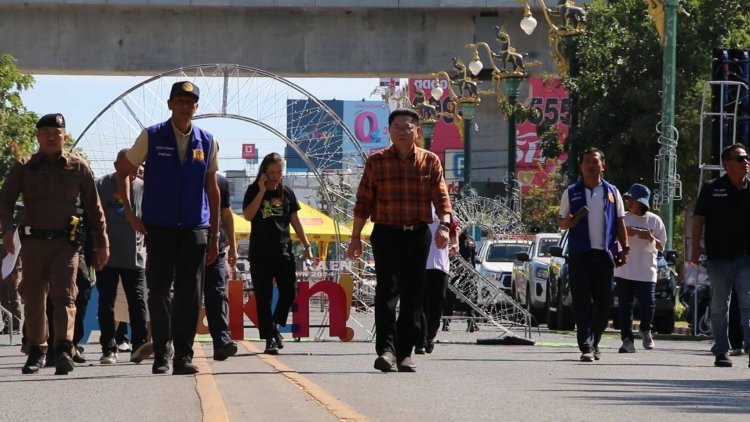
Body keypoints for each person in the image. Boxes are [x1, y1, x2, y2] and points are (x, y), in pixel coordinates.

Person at [115, 81, 221, 375]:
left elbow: (212, 189)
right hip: (159, 228)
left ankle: (183, 356)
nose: (186, 107)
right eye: (180, 101)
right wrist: (130, 212)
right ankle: (162, 353)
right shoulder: (151, 136)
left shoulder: (208, 140)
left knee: (190, 294)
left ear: (196, 107)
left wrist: (214, 234)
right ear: (170, 104)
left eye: (191, 102)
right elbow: (123, 172)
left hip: (194, 228)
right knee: (159, 292)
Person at [0, 113, 109, 375]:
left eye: (56, 132)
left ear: (65, 136)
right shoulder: (24, 166)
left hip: (66, 244)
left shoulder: (78, 167)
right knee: (34, 298)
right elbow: (4, 201)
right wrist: (5, 230)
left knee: (65, 297)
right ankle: (37, 350)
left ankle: (63, 348)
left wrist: (102, 241)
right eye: (45, 132)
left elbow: (95, 208)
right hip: (33, 243)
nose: (51, 136)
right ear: (38, 136)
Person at [348, 108, 452, 373]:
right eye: (397, 126)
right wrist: (355, 237)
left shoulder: (430, 161)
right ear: (389, 131)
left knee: (413, 295)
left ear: (417, 131)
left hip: (418, 235)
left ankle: (405, 353)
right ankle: (386, 350)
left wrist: (444, 226)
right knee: (386, 294)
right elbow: (363, 203)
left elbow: (442, 198)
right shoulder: (377, 161)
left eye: (408, 127)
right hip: (386, 233)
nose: (402, 131)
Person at [558, 147, 628, 362]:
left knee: (604, 301)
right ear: (581, 166)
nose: (591, 165)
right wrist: (568, 222)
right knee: (581, 302)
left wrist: (624, 249)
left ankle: (595, 340)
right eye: (587, 161)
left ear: (602, 165)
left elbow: (619, 222)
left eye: (595, 161)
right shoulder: (571, 191)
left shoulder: (612, 192)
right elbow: (561, 222)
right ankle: (585, 346)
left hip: (604, 254)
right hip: (580, 254)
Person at [242, 153, 312, 354]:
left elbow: (295, 221)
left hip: (284, 252)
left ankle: (273, 326)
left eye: (278, 172)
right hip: (260, 254)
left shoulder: (287, 193)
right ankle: (269, 340)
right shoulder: (253, 190)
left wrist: (306, 245)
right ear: (263, 171)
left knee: (289, 292)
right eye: (271, 172)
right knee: (263, 298)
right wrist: (262, 190)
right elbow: (248, 215)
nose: (275, 176)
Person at [690, 143, 750, 368]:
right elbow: (698, 220)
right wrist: (695, 247)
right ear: (727, 164)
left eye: (746, 157)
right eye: (740, 158)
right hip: (719, 257)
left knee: (748, 302)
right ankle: (721, 351)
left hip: (746, 258)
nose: (745, 161)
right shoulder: (711, 188)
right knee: (719, 305)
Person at [95, 148, 151, 365]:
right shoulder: (101, 185)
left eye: (137, 165)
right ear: (117, 164)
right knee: (106, 303)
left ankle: (138, 346)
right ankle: (109, 348)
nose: (134, 170)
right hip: (107, 255)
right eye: (129, 165)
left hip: (135, 257)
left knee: (138, 302)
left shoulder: (143, 187)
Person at [613, 183, 667, 353]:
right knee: (625, 307)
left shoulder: (654, 220)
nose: (629, 203)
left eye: (632, 200)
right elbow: (612, 238)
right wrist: (625, 232)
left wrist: (649, 236)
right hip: (624, 270)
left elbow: (661, 246)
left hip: (646, 271)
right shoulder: (622, 218)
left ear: (642, 203)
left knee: (648, 304)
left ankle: (646, 329)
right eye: (628, 199)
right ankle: (627, 340)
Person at [204, 173, 239, 360]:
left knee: (217, 294)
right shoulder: (185, 175)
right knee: (186, 298)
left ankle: (221, 342)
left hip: (216, 248)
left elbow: (226, 213)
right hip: (189, 247)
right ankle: (178, 346)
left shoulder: (221, 181)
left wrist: (233, 247)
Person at [415, 209, 458, 355]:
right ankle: (420, 341)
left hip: (441, 264)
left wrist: (455, 245)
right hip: (422, 263)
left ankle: (431, 336)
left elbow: (453, 231)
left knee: (439, 302)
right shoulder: (419, 205)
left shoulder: (446, 210)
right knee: (422, 304)